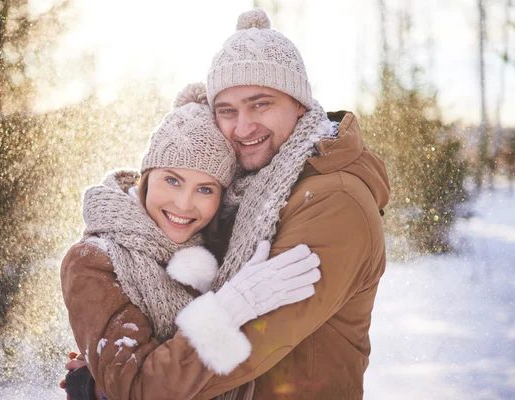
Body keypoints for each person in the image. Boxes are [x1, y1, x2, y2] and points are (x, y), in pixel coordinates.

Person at [64, 8, 391, 399]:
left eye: (261, 104)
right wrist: (114, 364)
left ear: (300, 104)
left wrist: (115, 387)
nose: (242, 127)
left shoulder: (333, 202)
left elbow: (233, 351)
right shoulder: (247, 189)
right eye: (227, 110)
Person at [60, 82, 322, 400]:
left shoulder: (214, 249)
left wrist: (94, 380)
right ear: (146, 176)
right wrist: (229, 308)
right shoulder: (94, 260)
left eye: (205, 189)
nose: (184, 204)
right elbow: (138, 390)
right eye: (172, 180)